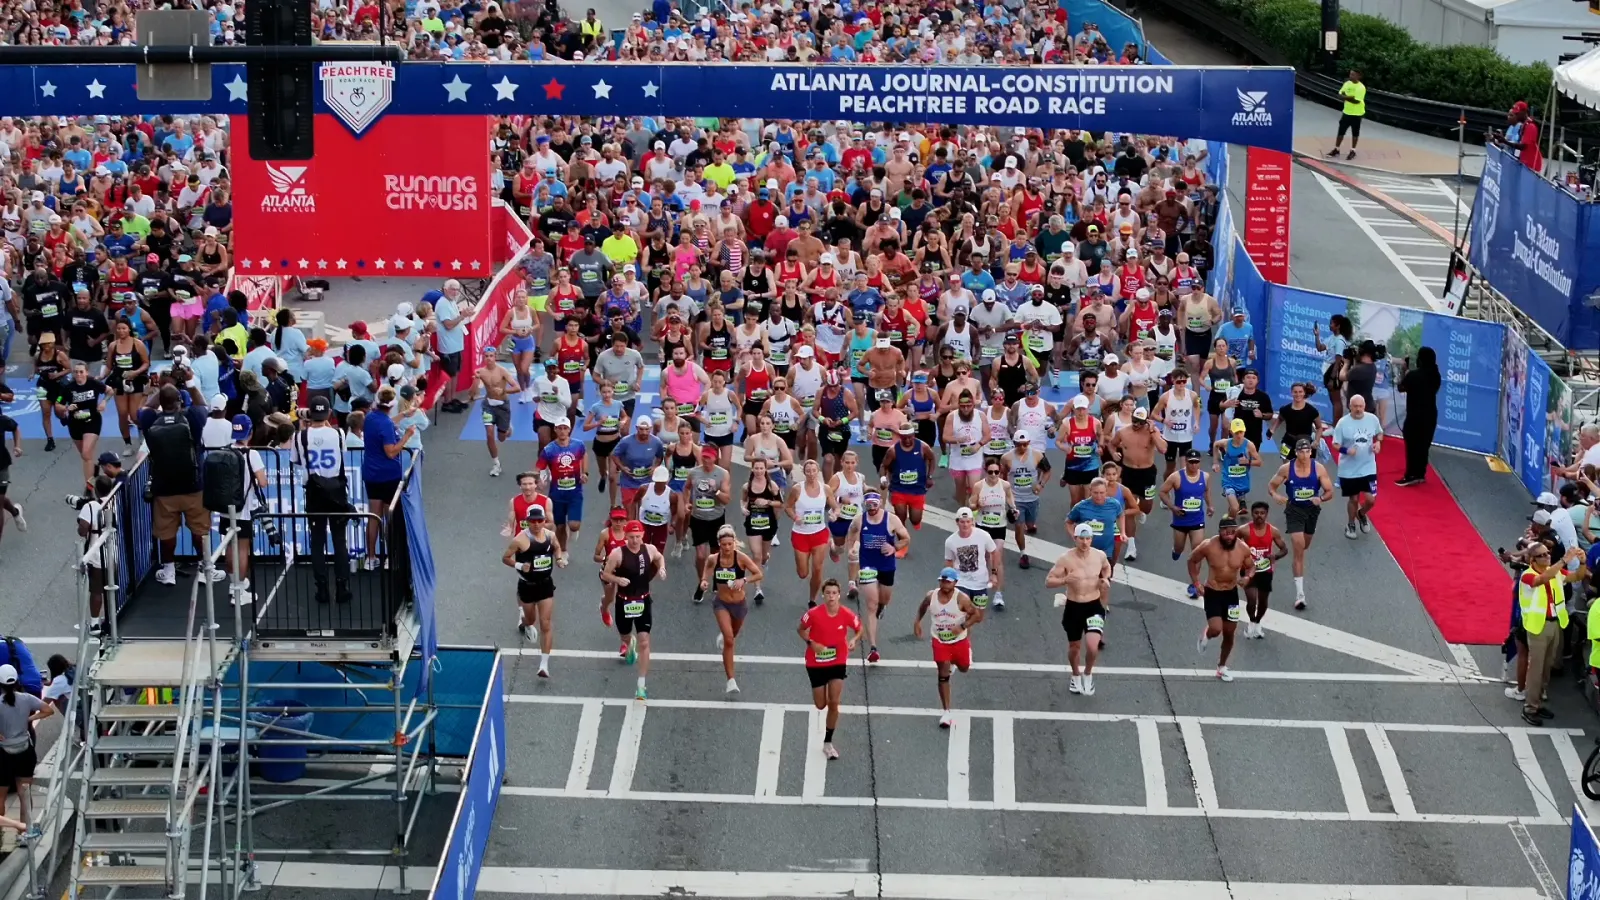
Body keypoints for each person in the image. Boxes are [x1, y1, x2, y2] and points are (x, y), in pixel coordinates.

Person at [138, 384, 217, 586]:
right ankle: (204, 567)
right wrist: (190, 383)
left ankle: (169, 571)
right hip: (193, 486)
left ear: (162, 403)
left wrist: (161, 389)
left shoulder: (151, 420)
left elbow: (145, 408)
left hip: (163, 487)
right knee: (200, 530)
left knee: (166, 532)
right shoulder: (192, 419)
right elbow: (201, 404)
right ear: (179, 402)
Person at [1514, 543, 1586, 725]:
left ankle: (1537, 702)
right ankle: (1529, 707)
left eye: (1548, 553)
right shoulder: (1528, 575)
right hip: (1538, 627)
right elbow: (1541, 580)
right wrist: (1563, 561)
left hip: (1555, 624)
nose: (1547, 557)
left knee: (1547, 668)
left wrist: (1583, 563)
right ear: (1533, 560)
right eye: (1542, 555)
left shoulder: (1555, 573)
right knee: (1536, 670)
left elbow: (1578, 576)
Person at [294, 396, 352, 605]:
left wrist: (305, 426)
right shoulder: (338, 433)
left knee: (317, 542)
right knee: (339, 541)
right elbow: (342, 454)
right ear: (328, 413)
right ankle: (342, 587)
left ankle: (322, 589)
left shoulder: (301, 437)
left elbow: (296, 460)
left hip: (314, 493)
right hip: (336, 491)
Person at [601, 520, 667, 701]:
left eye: (638, 537)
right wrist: (617, 579)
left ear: (643, 535)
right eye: (631, 537)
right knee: (625, 635)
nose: (635, 541)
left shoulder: (650, 549)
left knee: (644, 641)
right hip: (624, 602)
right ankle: (628, 644)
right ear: (626, 536)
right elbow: (604, 574)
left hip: (643, 600)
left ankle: (641, 685)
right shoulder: (617, 554)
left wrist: (661, 567)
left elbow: (659, 557)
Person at [841, 490, 910, 664]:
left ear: (880, 504)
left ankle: (882, 606)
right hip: (867, 566)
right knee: (871, 605)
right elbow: (851, 532)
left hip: (886, 565)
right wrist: (852, 548)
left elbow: (906, 538)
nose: (871, 509)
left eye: (874, 505)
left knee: (883, 599)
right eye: (868, 506)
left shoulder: (891, 519)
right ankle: (873, 648)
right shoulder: (860, 519)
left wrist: (894, 547)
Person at [1046, 523, 1113, 696]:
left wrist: (1105, 579)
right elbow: (1049, 581)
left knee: (1092, 645)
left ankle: (1088, 674)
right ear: (1075, 538)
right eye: (1081, 538)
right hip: (1074, 606)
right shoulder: (1065, 559)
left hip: (1094, 605)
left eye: (1088, 538)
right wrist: (1065, 580)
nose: (1084, 542)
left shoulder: (1099, 555)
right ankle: (1075, 675)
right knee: (1074, 647)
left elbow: (1107, 567)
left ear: (1092, 539)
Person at [1268, 438, 1335, 610]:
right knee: (1298, 547)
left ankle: (1298, 558)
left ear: (1310, 452)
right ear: (1296, 453)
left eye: (1307, 451)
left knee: (1305, 545)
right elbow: (1272, 486)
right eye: (1301, 452)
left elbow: (1329, 492)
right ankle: (1300, 594)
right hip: (1294, 510)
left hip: (1312, 510)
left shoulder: (1318, 468)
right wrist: (1276, 496)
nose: (1304, 455)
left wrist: (1319, 498)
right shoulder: (1287, 469)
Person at [798, 578, 861, 760]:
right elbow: (801, 629)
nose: (831, 596)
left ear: (839, 595)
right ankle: (823, 708)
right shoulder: (813, 614)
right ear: (823, 595)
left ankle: (828, 742)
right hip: (815, 663)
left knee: (834, 702)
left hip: (837, 661)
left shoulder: (846, 613)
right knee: (821, 704)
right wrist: (811, 643)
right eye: (828, 593)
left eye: (834, 593)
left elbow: (859, 628)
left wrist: (854, 640)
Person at [913, 568, 983, 729]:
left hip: (959, 640)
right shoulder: (931, 596)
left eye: (948, 581)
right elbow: (923, 606)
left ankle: (962, 658)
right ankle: (946, 712)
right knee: (943, 672)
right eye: (943, 580)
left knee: (964, 668)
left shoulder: (962, 599)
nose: (945, 584)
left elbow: (977, 615)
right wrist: (917, 621)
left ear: (955, 583)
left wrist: (963, 626)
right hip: (940, 640)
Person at [699, 524, 765, 694]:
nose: (727, 548)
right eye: (724, 545)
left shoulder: (741, 558)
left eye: (730, 544)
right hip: (721, 603)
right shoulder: (714, 558)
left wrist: (744, 581)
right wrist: (704, 581)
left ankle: (725, 633)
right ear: (719, 544)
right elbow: (707, 569)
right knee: (729, 640)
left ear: (734, 543)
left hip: (739, 604)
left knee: (732, 635)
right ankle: (731, 680)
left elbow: (758, 574)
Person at [1187, 517, 1254, 682]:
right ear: (1220, 532)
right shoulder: (1208, 545)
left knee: (1230, 632)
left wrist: (1247, 578)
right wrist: (1196, 582)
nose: (1230, 536)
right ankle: (1207, 634)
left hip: (1231, 593)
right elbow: (1192, 560)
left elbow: (1251, 566)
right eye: (1226, 532)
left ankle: (1221, 667)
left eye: (1232, 533)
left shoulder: (1243, 548)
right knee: (1216, 629)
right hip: (1213, 591)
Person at [360, 387, 415, 571]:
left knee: (374, 517)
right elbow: (391, 452)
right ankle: (390, 558)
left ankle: (370, 558)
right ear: (391, 405)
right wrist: (406, 436)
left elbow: (386, 424)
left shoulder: (370, 418)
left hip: (371, 475)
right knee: (389, 516)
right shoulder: (384, 423)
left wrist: (403, 415)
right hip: (388, 476)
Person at [505, 505, 560, 677]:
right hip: (527, 585)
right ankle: (524, 619)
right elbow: (505, 558)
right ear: (527, 522)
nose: (536, 524)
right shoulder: (520, 540)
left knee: (545, 623)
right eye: (533, 521)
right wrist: (521, 565)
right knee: (530, 620)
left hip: (545, 584)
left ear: (545, 521)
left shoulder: (550, 536)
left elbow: (557, 547)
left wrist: (559, 558)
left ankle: (544, 665)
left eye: (540, 521)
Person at [0, 664, 52, 839]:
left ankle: (0, 834)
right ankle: (26, 831)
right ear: (16, 682)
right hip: (25, 752)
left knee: (1, 796)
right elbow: (48, 710)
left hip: (3, 754)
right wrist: (29, 718)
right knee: (25, 793)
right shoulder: (26, 698)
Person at [1332, 394, 1383, 540]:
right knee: (1353, 499)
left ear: (1365, 406)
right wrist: (1346, 450)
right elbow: (1335, 444)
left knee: (1371, 500)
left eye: (1361, 406)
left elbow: (1380, 433)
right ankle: (1350, 524)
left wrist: (1378, 443)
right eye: (1355, 406)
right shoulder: (1343, 423)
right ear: (1350, 406)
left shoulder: (1372, 419)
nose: (1358, 409)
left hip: (1368, 466)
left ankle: (1361, 514)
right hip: (1349, 469)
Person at [786, 458, 836, 607]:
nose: (811, 474)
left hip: (819, 534)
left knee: (818, 568)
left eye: (814, 471)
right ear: (804, 472)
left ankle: (812, 599)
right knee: (803, 573)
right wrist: (795, 517)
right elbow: (787, 507)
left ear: (818, 471)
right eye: (808, 471)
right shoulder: (797, 489)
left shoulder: (825, 488)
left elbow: (835, 506)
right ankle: (805, 574)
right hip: (800, 534)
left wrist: (835, 513)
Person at [537, 418, 587, 566]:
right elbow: (540, 467)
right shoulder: (549, 449)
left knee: (573, 525)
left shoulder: (578, 445)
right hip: (556, 494)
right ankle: (563, 551)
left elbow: (584, 455)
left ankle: (574, 529)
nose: (563, 431)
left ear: (569, 429)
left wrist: (585, 473)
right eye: (560, 428)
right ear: (555, 430)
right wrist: (540, 480)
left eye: (565, 428)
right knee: (559, 526)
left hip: (574, 493)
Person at [1160, 450, 1213, 590]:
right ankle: (1176, 551)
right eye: (1191, 462)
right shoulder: (1176, 477)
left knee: (1197, 551)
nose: (1194, 465)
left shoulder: (1205, 476)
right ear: (1186, 462)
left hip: (1197, 520)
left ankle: (1195, 583)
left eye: (1196, 462)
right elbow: (1162, 492)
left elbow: (1206, 491)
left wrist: (1210, 506)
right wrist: (1172, 507)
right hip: (1180, 520)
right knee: (1179, 547)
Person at [688, 447, 733, 603]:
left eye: (709, 458)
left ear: (715, 458)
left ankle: (715, 578)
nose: (706, 460)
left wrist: (716, 492)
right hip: (698, 518)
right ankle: (702, 582)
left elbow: (727, 500)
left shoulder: (723, 474)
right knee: (700, 555)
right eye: (704, 457)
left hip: (716, 518)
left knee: (716, 553)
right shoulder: (694, 472)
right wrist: (686, 503)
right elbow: (686, 488)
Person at [1002, 431, 1051, 568]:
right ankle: (1023, 554)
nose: (1022, 447)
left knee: (1030, 523)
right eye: (1019, 445)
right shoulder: (1006, 458)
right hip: (1015, 499)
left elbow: (1047, 471)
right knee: (1019, 526)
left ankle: (1030, 524)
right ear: (1014, 443)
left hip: (1032, 497)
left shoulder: (1037, 455)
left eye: (1025, 444)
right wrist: (1005, 493)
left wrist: (1041, 485)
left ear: (1029, 443)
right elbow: (1003, 475)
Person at [1241, 502, 1289, 639]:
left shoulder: (1273, 531)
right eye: (1256, 513)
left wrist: (1275, 556)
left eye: (1262, 513)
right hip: (1248, 569)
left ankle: (1257, 622)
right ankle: (1251, 621)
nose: (1259, 516)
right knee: (1251, 600)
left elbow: (1284, 549)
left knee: (1263, 602)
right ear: (1252, 513)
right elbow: (1232, 545)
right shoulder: (1244, 530)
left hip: (1265, 570)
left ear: (1266, 514)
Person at [1395, 347, 1441, 487]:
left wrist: (1404, 370)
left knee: (1412, 444)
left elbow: (1401, 387)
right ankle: (1420, 473)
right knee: (1423, 445)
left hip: (1415, 415)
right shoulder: (1435, 375)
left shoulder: (1414, 376)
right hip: (1430, 415)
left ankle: (1411, 474)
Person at [943, 507, 1001, 611]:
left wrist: (994, 573)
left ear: (972, 522)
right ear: (957, 522)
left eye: (968, 521)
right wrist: (949, 581)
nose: (965, 525)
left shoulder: (983, 536)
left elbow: (994, 552)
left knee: (977, 616)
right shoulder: (950, 541)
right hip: (961, 582)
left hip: (980, 582)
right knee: (961, 613)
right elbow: (949, 561)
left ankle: (965, 626)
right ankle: (963, 627)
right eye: (962, 522)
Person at [473, 344, 517, 478]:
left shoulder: (502, 371)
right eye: (486, 356)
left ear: (495, 357)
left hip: (503, 405)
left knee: (502, 438)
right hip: (488, 406)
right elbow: (472, 394)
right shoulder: (481, 372)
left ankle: (507, 428)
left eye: (491, 356)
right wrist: (475, 379)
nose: (489, 359)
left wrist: (503, 390)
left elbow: (517, 388)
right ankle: (496, 463)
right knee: (490, 433)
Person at [1212, 419, 1261, 518]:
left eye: (1241, 432)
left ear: (1244, 431)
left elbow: (1259, 462)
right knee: (1235, 507)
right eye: (1236, 432)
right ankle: (1228, 524)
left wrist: (1248, 462)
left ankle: (1229, 521)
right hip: (1228, 480)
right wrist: (1215, 462)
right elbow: (1215, 445)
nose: (1239, 435)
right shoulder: (1226, 443)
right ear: (1231, 432)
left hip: (1242, 481)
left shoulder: (1249, 445)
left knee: (1232, 508)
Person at [1326, 69, 1366, 161]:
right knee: (1341, 131)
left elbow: (1356, 100)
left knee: (1355, 133)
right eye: (1350, 74)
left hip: (1357, 113)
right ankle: (1336, 149)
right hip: (1346, 112)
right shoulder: (1347, 83)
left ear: (1359, 76)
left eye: (1353, 75)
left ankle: (1353, 150)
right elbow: (1340, 94)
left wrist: (1345, 97)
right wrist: (1349, 97)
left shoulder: (1361, 87)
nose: (1351, 76)